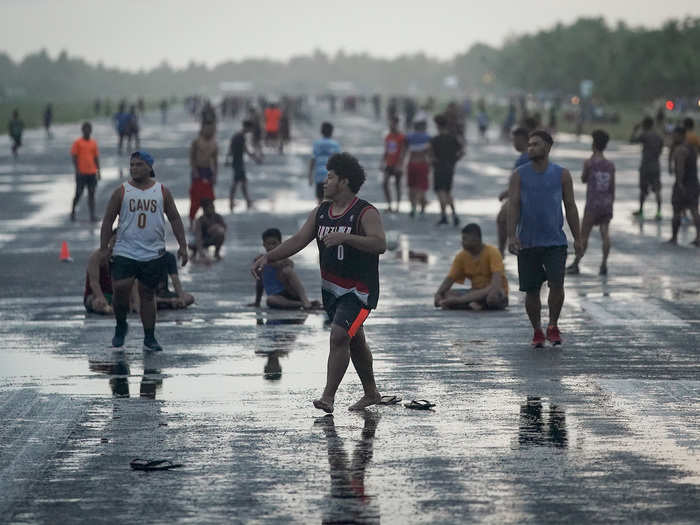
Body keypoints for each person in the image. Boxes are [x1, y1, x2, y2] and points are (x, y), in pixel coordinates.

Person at [252, 152, 386, 413]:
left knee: (338, 336)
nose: (325, 181)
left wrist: (346, 238)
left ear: (344, 182)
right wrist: (267, 257)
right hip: (332, 291)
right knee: (353, 339)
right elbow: (297, 241)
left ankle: (328, 397)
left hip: (360, 292)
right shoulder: (321, 212)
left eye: (330, 177)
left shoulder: (365, 212)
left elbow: (380, 244)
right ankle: (371, 393)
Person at [100, 151, 188, 351]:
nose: (134, 168)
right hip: (125, 250)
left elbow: (174, 218)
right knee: (121, 289)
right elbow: (108, 220)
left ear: (149, 167)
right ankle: (121, 325)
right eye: (132, 165)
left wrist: (182, 245)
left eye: (139, 165)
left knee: (147, 295)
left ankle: (149, 337)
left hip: (152, 252)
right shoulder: (121, 191)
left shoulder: (162, 191)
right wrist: (104, 248)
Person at [507, 130, 582, 347]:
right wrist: (512, 236)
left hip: (555, 242)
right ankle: (537, 330)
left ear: (548, 147)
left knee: (557, 284)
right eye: (529, 145)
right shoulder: (519, 175)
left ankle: (553, 325)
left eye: (535, 145)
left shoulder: (562, 174)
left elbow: (570, 206)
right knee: (531, 290)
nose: (530, 148)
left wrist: (578, 239)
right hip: (527, 242)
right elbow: (513, 206)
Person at [567, 130, 615, 276]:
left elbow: (583, 179)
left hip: (593, 203)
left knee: (583, 235)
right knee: (605, 234)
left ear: (594, 144)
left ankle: (576, 264)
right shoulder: (610, 165)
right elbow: (612, 186)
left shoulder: (589, 162)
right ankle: (604, 264)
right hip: (606, 203)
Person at [434, 223, 508, 310]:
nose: (462, 242)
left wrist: (460, 300)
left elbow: (496, 284)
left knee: (492, 298)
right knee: (446, 294)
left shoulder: (492, 252)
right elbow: (450, 279)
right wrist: (438, 294)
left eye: (465, 239)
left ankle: (466, 303)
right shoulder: (461, 256)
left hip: (493, 291)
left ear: (476, 239)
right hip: (475, 291)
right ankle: (474, 303)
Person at [249, 228, 320, 310]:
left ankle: (305, 301)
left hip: (290, 293)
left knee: (287, 270)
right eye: (268, 244)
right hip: (277, 297)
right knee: (270, 300)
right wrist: (257, 302)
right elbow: (259, 282)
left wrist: (275, 263)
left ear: (280, 244)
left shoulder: (284, 260)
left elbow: (290, 268)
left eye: (274, 243)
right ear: (264, 244)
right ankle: (302, 304)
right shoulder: (260, 261)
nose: (271, 247)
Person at [497, 127, 530, 255]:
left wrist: (507, 193)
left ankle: (501, 250)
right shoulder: (524, 156)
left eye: (516, 140)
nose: (514, 144)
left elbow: (522, 180)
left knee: (502, 218)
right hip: (519, 195)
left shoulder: (525, 158)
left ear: (524, 140)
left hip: (520, 197)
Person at [668, 126, 700, 246]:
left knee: (676, 210)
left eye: (674, 134)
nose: (672, 137)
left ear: (679, 135)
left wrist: (680, 183)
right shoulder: (692, 148)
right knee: (694, 210)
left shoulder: (680, 149)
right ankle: (698, 236)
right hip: (694, 183)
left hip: (684, 184)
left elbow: (680, 168)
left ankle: (674, 237)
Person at [431, 114, 464, 226]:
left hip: (439, 169)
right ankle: (454, 214)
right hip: (450, 168)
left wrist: (433, 162)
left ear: (437, 126)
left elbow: (431, 157)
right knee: (448, 192)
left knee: (441, 192)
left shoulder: (435, 140)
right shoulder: (453, 138)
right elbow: (462, 151)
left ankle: (444, 215)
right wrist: (454, 160)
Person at [630, 117, 663, 220]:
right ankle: (658, 212)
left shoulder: (645, 134)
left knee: (643, 189)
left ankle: (641, 210)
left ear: (644, 125)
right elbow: (661, 149)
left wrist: (635, 130)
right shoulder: (658, 136)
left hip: (645, 166)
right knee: (657, 189)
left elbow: (632, 140)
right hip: (656, 166)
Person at [189, 122, 218, 229]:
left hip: (208, 171)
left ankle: (209, 222)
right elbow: (192, 158)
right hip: (198, 171)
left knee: (209, 198)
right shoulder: (196, 142)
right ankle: (192, 221)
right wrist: (195, 170)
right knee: (195, 199)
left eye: (211, 129)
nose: (209, 131)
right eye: (207, 129)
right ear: (202, 129)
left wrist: (215, 174)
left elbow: (215, 160)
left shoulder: (214, 143)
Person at [70, 122, 101, 222]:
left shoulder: (93, 143)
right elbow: (74, 157)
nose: (87, 131)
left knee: (92, 194)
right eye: (85, 129)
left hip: (92, 173)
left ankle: (92, 215)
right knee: (78, 193)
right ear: (82, 130)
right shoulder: (77, 143)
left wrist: (98, 171)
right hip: (81, 173)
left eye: (89, 129)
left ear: (91, 131)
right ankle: (73, 211)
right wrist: (77, 170)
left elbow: (96, 158)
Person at [226, 120, 258, 211]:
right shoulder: (240, 136)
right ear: (247, 127)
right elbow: (244, 149)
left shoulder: (238, 135)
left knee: (243, 183)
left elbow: (232, 148)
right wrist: (254, 157)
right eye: (250, 128)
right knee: (236, 183)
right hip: (238, 163)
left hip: (238, 162)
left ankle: (247, 201)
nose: (251, 130)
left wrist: (228, 159)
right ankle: (232, 202)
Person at [404, 119, 431, 218]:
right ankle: (422, 209)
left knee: (411, 187)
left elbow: (404, 151)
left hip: (411, 164)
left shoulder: (408, 137)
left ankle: (413, 207)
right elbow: (430, 154)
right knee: (422, 188)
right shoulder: (427, 137)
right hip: (422, 164)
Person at [309, 122, 341, 203]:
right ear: (332, 132)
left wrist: (310, 175)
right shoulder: (335, 145)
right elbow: (339, 161)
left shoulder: (317, 144)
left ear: (321, 132)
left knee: (320, 200)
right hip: (331, 176)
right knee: (331, 200)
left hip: (319, 176)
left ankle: (320, 214)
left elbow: (313, 159)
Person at [380, 116, 405, 213]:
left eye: (393, 124)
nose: (391, 125)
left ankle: (398, 206)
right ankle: (389, 204)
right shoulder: (388, 136)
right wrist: (382, 162)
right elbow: (386, 150)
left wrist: (400, 164)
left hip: (397, 164)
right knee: (385, 183)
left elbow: (403, 151)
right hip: (389, 164)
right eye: (390, 123)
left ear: (396, 124)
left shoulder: (401, 137)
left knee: (397, 185)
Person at [189, 198, 226, 262]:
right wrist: (201, 253)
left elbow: (224, 228)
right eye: (210, 207)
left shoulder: (218, 217)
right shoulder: (200, 220)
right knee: (192, 244)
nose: (212, 209)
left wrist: (216, 228)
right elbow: (198, 237)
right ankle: (194, 254)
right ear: (204, 209)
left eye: (212, 207)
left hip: (211, 238)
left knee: (221, 234)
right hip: (201, 239)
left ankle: (216, 253)